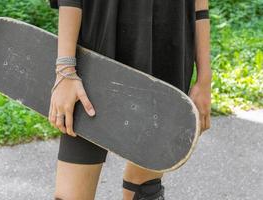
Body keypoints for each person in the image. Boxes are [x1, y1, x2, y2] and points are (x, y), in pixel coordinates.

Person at [48, 0, 212, 199]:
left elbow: (200, 5)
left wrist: (204, 80)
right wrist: (65, 70)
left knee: (145, 190)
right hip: (99, 45)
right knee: (71, 194)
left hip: (167, 43)